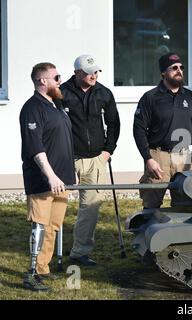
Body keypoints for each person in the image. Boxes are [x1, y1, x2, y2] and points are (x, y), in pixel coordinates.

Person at [20, 62, 75, 291]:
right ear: (43, 81)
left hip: (62, 180)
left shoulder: (56, 106)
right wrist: (51, 176)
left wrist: (70, 174)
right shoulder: (32, 108)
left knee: (53, 226)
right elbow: (36, 147)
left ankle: (42, 269)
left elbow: (63, 143)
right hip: (43, 181)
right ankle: (31, 273)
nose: (60, 80)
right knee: (40, 226)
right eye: (56, 77)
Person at [61, 54, 121, 266]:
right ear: (77, 73)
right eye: (89, 72)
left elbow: (114, 124)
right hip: (67, 158)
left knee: (90, 207)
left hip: (96, 158)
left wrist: (107, 152)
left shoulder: (104, 93)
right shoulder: (61, 92)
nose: (94, 75)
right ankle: (48, 250)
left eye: (96, 71)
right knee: (57, 205)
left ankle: (80, 252)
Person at [133, 52, 192, 209]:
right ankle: (148, 232)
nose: (179, 70)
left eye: (181, 67)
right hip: (158, 156)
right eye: (174, 68)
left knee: (185, 202)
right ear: (163, 72)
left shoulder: (190, 97)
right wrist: (148, 158)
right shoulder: (150, 98)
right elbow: (139, 129)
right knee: (152, 203)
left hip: (183, 156)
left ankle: (180, 234)